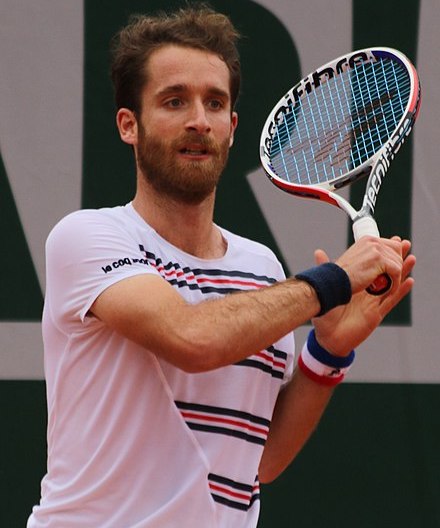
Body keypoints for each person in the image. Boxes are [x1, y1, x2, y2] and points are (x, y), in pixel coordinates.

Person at [28, 5, 415, 528]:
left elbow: (261, 459)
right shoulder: (86, 238)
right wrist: (332, 282)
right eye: (174, 101)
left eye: (215, 103)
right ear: (129, 125)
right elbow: (191, 339)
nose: (199, 120)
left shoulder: (261, 267)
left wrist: (328, 352)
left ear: (232, 128)